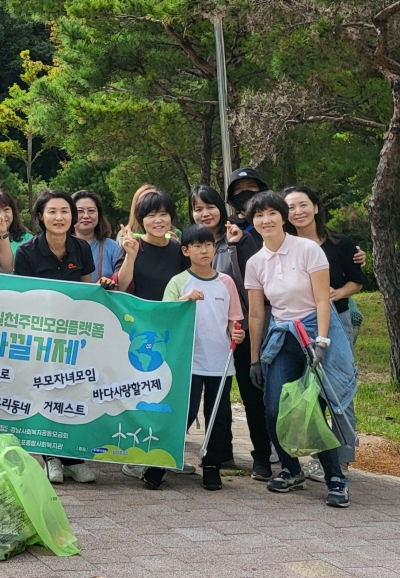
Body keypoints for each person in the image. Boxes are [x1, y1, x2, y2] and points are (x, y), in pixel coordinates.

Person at [244, 191, 355, 508]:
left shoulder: (307, 250)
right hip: (282, 337)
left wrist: (322, 342)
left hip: (315, 334)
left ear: (283, 217)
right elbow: (256, 313)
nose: (266, 220)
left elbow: (323, 299)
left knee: (315, 407)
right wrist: (254, 359)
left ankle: (336, 478)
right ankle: (291, 470)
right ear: (254, 222)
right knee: (275, 408)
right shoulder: (255, 263)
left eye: (271, 213)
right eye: (259, 215)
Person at [141, 224, 245, 491]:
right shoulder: (179, 282)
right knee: (182, 413)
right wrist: (184, 299)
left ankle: (211, 465)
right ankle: (159, 463)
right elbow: (164, 316)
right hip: (187, 360)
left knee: (218, 415)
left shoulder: (226, 282)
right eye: (197, 246)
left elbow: (234, 321)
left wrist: (237, 333)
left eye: (208, 245)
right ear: (186, 250)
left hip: (220, 361)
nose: (204, 250)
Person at [13, 189, 98, 485]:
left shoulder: (81, 248)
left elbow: (88, 290)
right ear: (40, 216)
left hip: (74, 336)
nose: (59, 217)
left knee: (72, 390)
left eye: (65, 211)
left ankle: (73, 457)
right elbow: (23, 298)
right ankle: (50, 455)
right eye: (52, 211)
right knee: (45, 391)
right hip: (41, 335)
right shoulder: (26, 252)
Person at [188, 184, 271, 480]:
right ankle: (220, 452)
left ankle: (262, 456)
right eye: (197, 208)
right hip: (209, 335)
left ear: (220, 209)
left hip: (243, 329)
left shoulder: (238, 236)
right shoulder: (189, 243)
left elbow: (256, 277)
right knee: (216, 395)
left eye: (209, 206)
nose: (204, 213)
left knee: (252, 394)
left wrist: (239, 243)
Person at [284, 185, 365, 481]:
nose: (298, 212)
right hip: (298, 324)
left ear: (316, 207)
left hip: (337, 322)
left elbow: (356, 282)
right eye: (291, 207)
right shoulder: (283, 245)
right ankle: (316, 455)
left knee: (339, 387)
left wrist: (334, 294)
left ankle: (341, 460)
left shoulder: (340, 243)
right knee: (306, 389)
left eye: (303, 205)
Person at [115, 190, 189, 301]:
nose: (158, 220)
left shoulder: (178, 249)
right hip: (137, 315)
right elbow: (121, 288)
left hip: (170, 314)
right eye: (151, 215)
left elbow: (187, 284)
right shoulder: (132, 246)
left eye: (163, 214)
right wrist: (130, 256)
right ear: (141, 220)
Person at [72, 189, 123, 283]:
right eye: (80, 211)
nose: (86, 216)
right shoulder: (62, 246)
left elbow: (122, 282)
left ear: (99, 214)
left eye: (91, 211)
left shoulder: (111, 247)